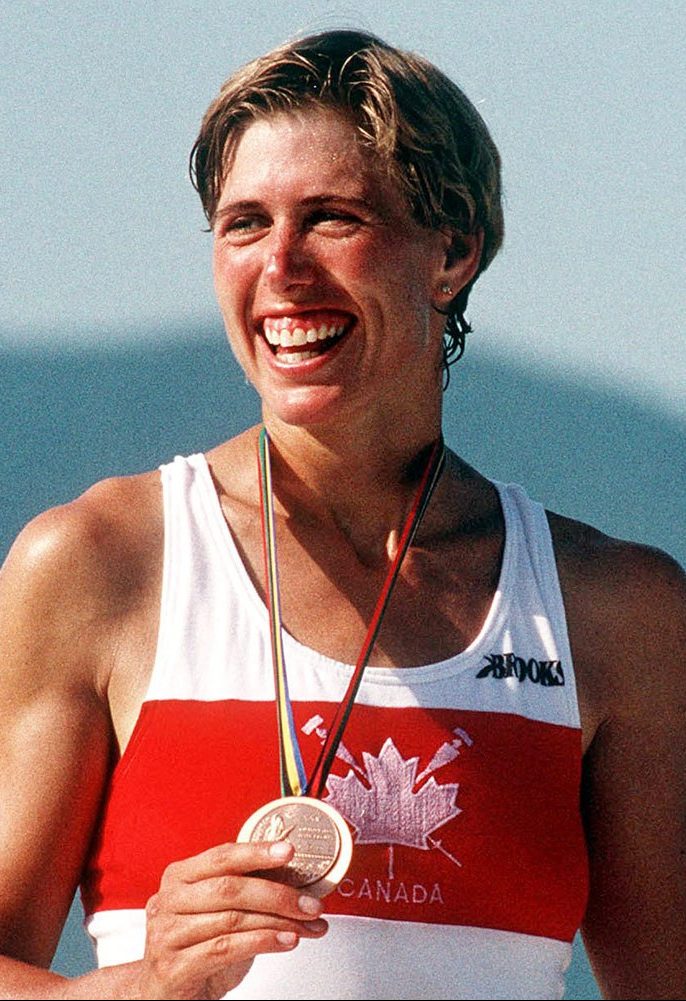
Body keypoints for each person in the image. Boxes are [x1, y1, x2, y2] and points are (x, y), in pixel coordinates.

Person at [0, 28, 684, 1001]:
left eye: (331, 218)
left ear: (452, 252)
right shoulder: (100, 562)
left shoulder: (616, 610)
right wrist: (139, 986)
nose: (280, 265)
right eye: (244, 223)